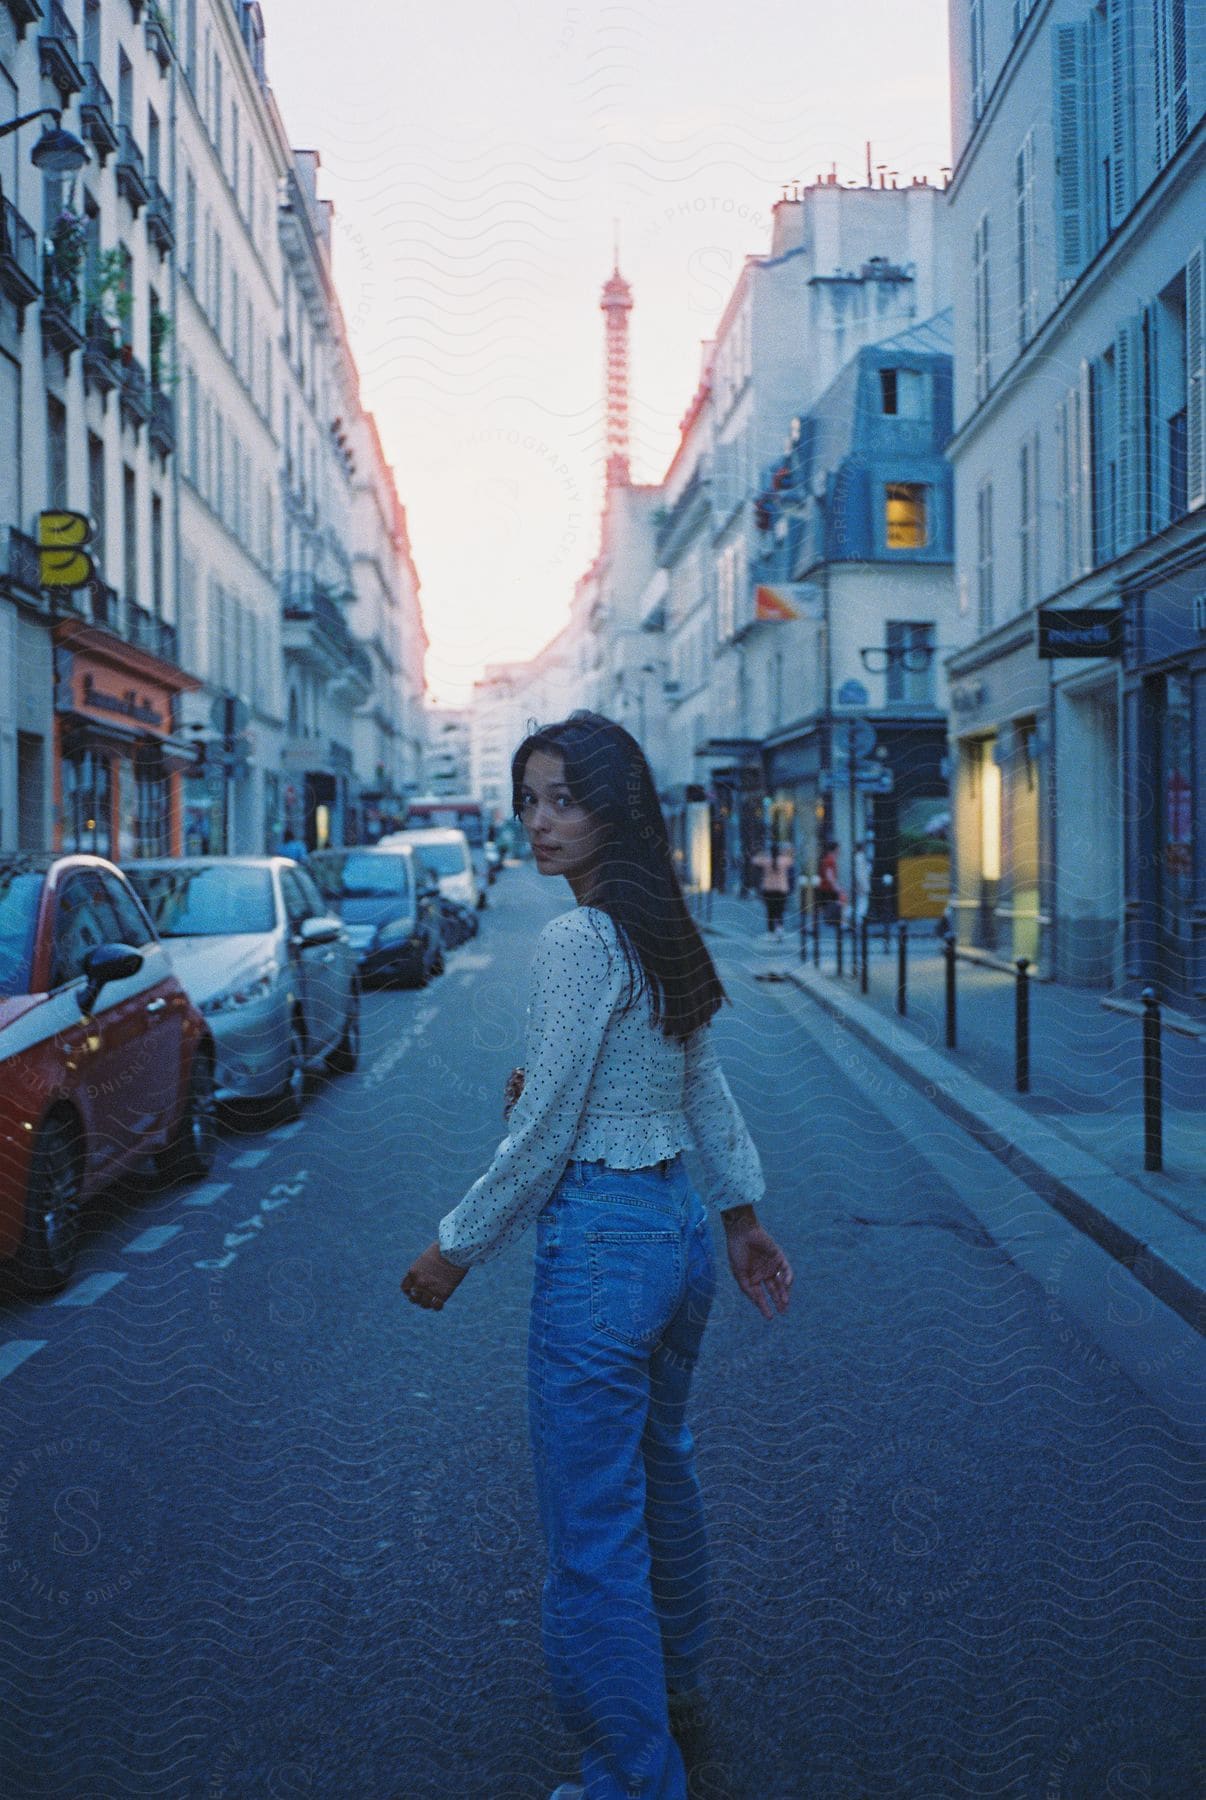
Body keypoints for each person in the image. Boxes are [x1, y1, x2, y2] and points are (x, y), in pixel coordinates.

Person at [401, 710, 793, 1800]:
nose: (538, 820)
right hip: (677, 1238)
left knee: (591, 1530)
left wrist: (455, 1245)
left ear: (614, 806)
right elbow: (690, 1083)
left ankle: (631, 1773)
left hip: (606, 1248)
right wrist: (741, 1215)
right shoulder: (658, 922)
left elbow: (550, 1124)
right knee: (663, 1476)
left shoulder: (579, 939)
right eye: (529, 800)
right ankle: (672, 1692)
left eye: (561, 799)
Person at [750, 836, 795, 940]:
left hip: (768, 889)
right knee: (780, 910)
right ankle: (779, 928)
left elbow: (754, 860)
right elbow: (791, 859)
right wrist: (785, 851)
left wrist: (762, 853)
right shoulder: (784, 860)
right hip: (782, 889)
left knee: (770, 910)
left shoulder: (766, 860)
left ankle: (770, 931)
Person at [817, 837, 844, 924]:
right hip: (828, 888)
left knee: (829, 905)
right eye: (839, 848)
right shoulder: (830, 860)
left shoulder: (827, 859)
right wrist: (837, 887)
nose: (840, 850)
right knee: (839, 902)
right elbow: (829, 876)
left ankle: (832, 920)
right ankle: (835, 922)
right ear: (835, 849)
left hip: (825, 887)